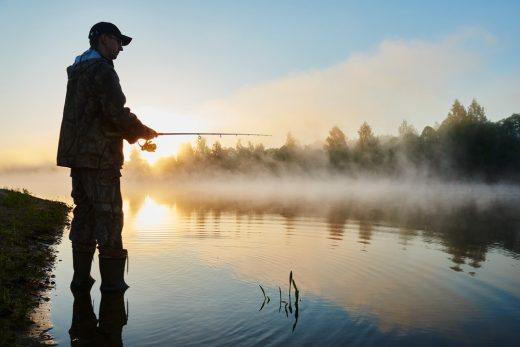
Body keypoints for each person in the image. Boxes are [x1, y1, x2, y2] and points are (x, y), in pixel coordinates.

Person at [57, 22, 157, 292]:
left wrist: (134, 132)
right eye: (118, 41)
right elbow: (115, 112)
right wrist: (143, 131)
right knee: (110, 217)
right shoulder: (102, 70)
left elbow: (96, 114)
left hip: (78, 157)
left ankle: (81, 281)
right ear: (103, 39)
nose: (121, 48)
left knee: (85, 214)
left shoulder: (78, 72)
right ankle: (113, 289)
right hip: (100, 158)